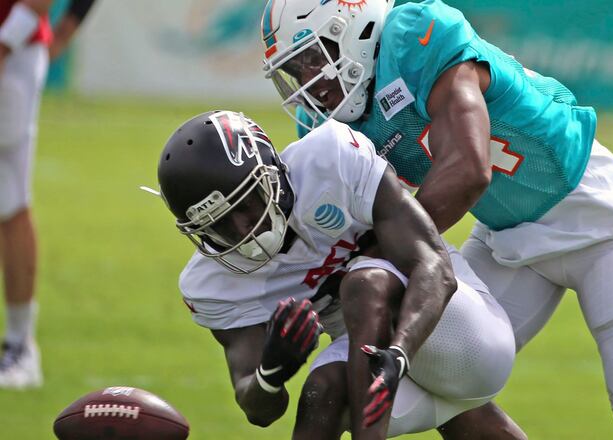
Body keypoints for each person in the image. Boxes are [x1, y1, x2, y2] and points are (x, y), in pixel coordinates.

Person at [260, 0, 613, 438]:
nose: (308, 83)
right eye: (295, 70)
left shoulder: (415, 36)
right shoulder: (329, 127)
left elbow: (468, 170)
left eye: (313, 58)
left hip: (595, 218)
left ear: (352, 26)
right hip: (505, 242)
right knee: (450, 385)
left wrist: (377, 253)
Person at [154, 110, 522, 439]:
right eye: (219, 226)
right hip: (376, 360)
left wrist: (397, 356)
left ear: (272, 171)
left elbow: (434, 267)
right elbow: (258, 410)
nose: (243, 228)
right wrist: (271, 371)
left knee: (364, 283)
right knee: (321, 394)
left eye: (248, 202)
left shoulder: (330, 159)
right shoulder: (211, 284)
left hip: (458, 327)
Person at [0, 0, 94, 390]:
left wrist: (3, 47)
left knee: (9, 198)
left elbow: (37, 3)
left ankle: (21, 345)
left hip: (13, 48)